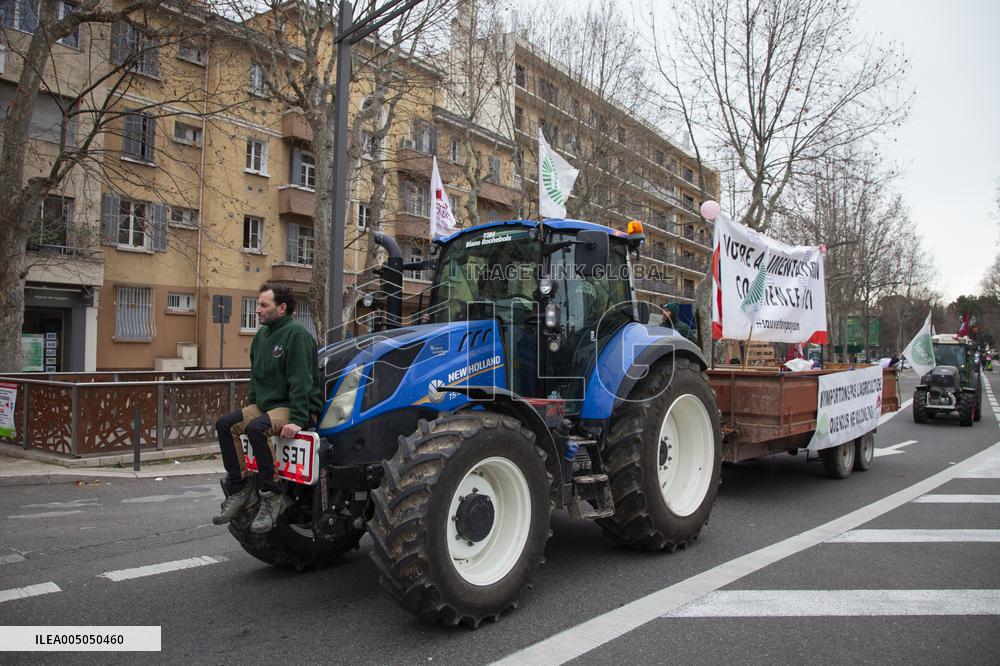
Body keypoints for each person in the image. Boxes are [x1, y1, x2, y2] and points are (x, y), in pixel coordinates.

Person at [212, 284, 323, 533]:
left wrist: (298, 419)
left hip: (294, 406)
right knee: (225, 424)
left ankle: (272, 496)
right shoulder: (261, 337)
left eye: (264, 305)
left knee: (256, 429)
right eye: (258, 304)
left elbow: (301, 381)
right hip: (266, 406)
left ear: (281, 308)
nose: (257, 310)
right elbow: (256, 379)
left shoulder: (297, 335)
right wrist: (252, 404)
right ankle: (240, 489)